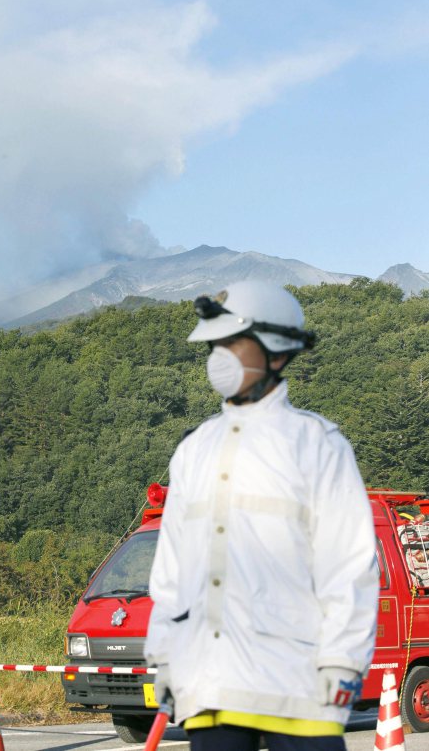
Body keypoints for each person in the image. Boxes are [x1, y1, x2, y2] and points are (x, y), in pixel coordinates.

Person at [144, 280, 379, 751]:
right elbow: (173, 570)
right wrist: (164, 658)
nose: (220, 357)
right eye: (216, 345)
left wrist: (343, 659)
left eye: (234, 343)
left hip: (297, 684)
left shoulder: (316, 444)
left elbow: (349, 563)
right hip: (210, 684)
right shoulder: (193, 451)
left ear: (277, 353)